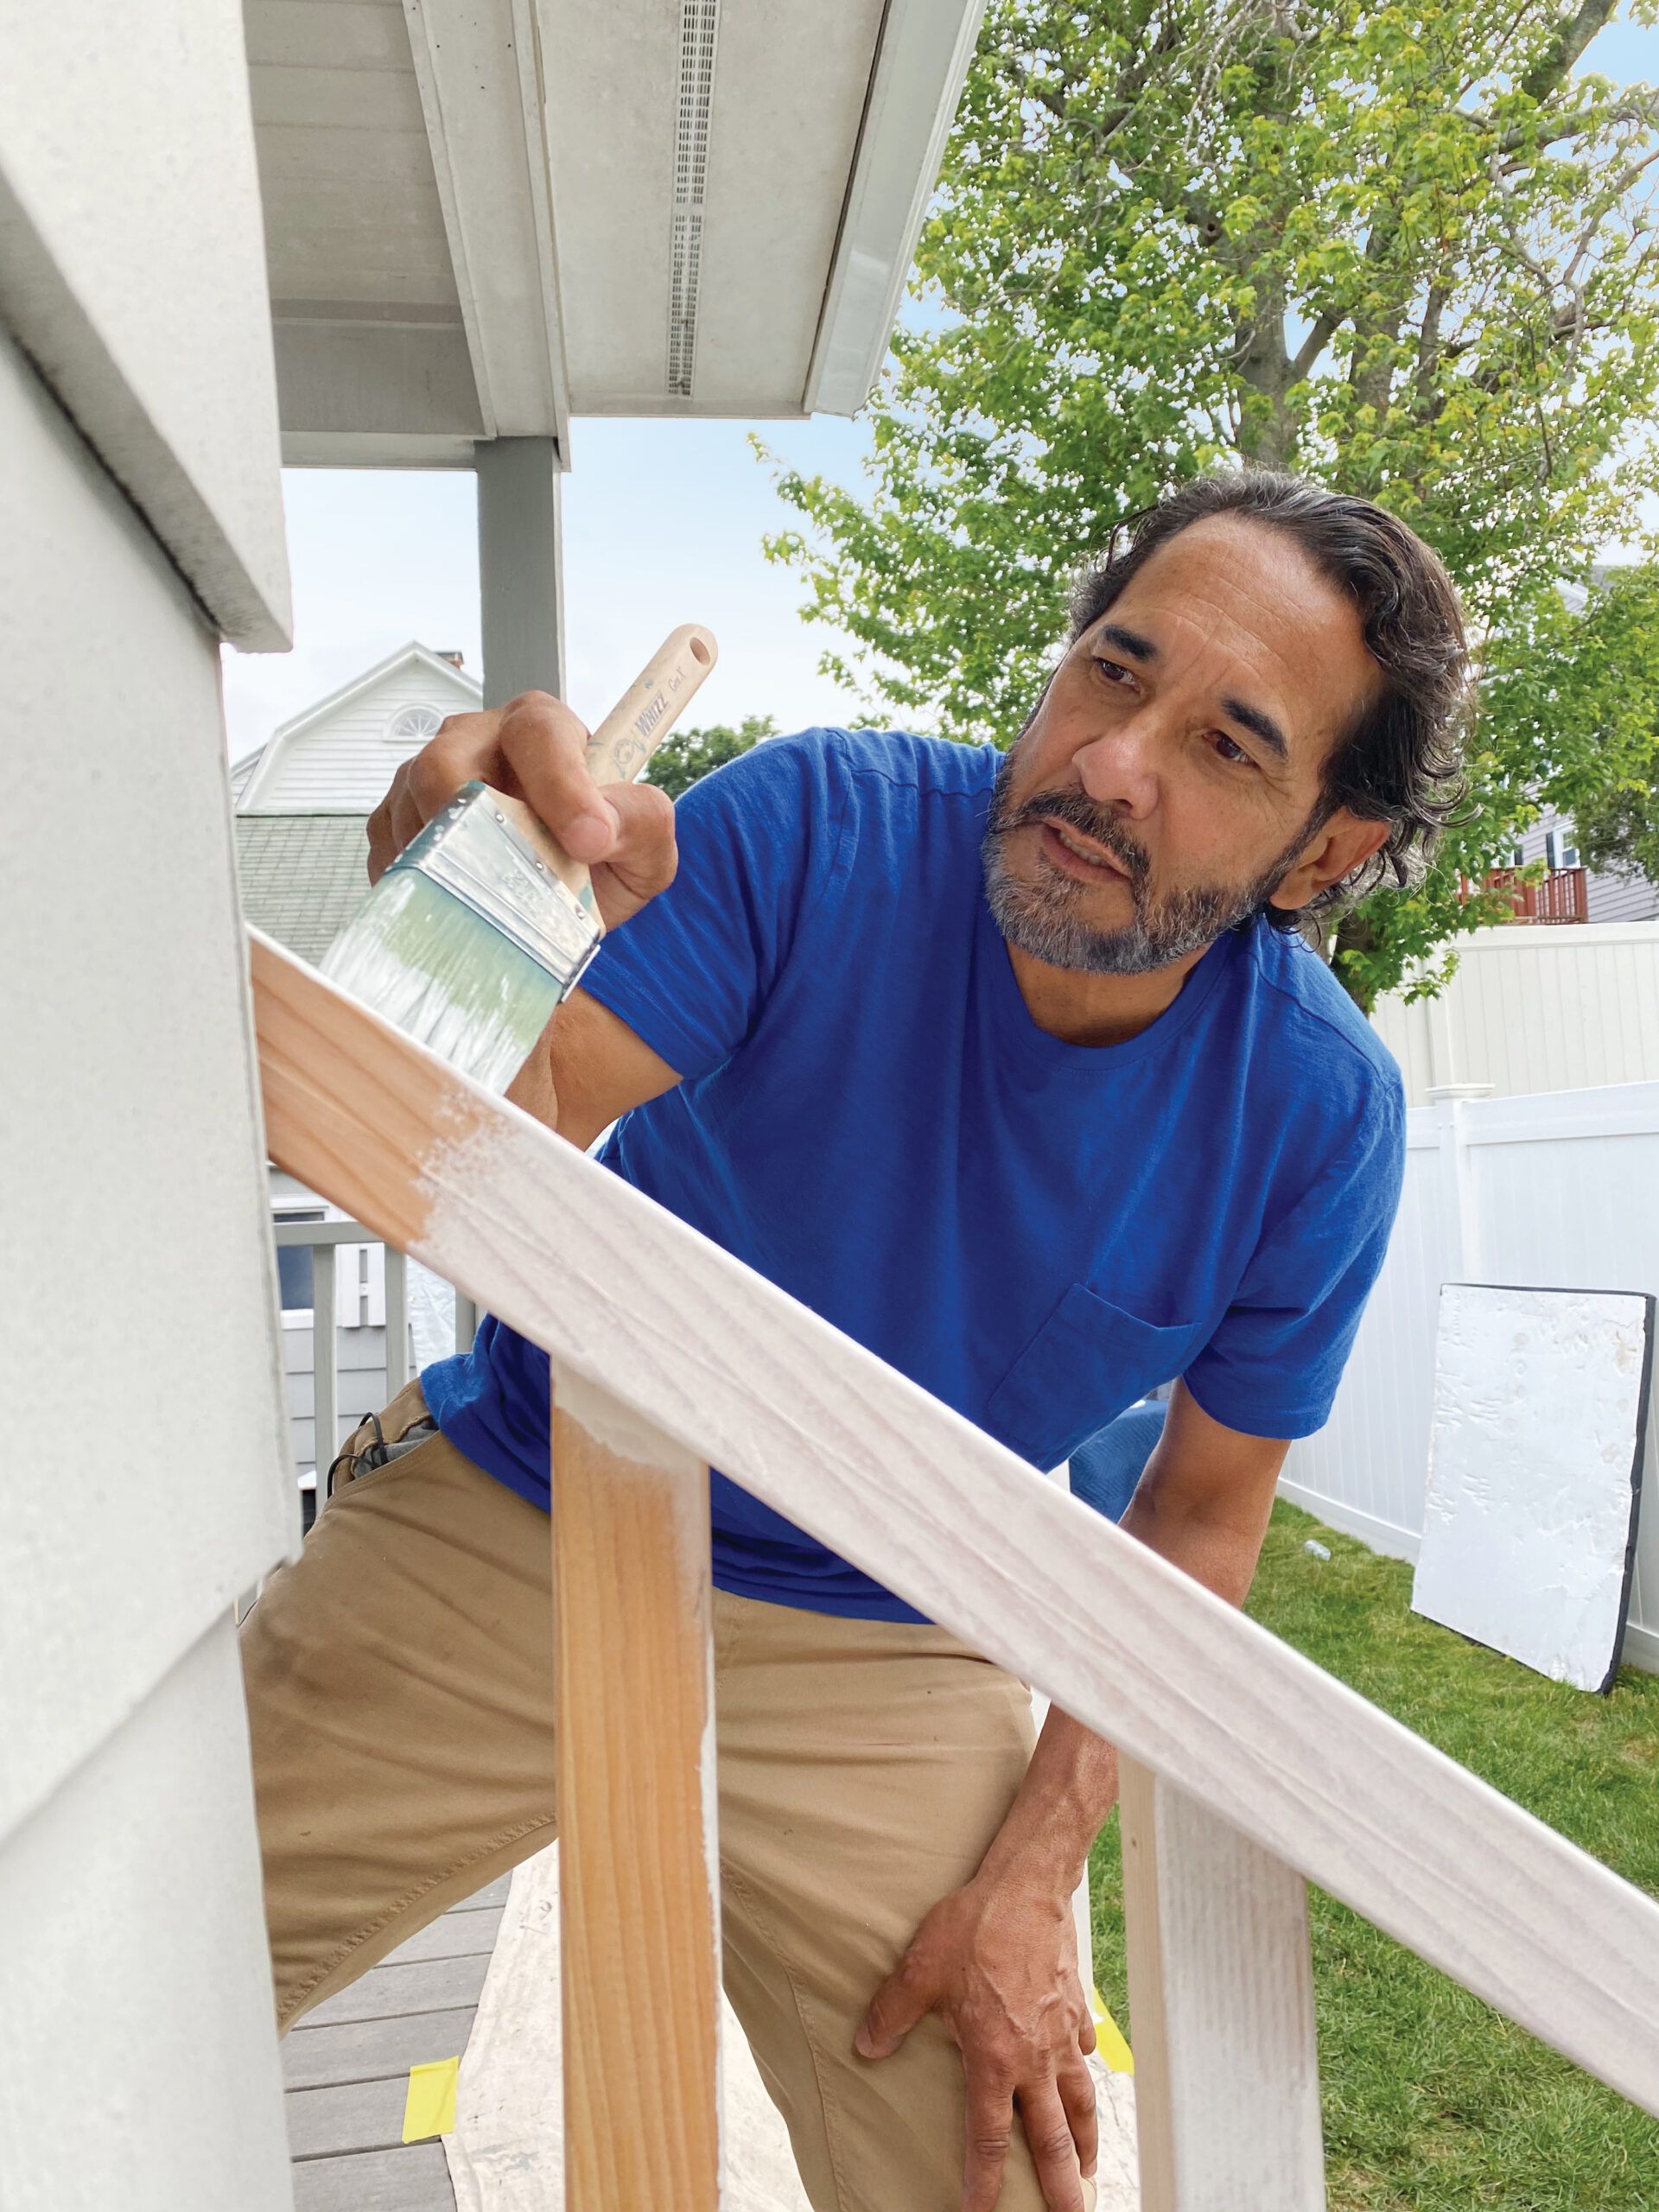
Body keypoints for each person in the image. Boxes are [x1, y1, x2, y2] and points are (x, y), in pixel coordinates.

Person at [240, 471, 1469, 2212]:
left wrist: (1036, 1873)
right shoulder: (822, 827)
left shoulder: (1318, 1115)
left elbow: (1199, 1518)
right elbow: (491, 1122)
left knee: (1007, 2168)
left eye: (1227, 748)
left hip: (895, 1624)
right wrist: (467, 905)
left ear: (1325, 853)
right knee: (118, 1942)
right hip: (532, 1493)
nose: (1117, 765)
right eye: (1113, 676)